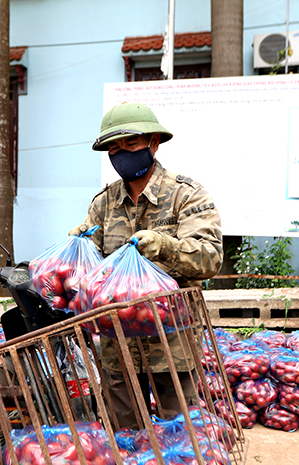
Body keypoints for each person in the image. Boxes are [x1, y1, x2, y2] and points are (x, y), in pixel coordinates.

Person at [69, 102, 223, 429]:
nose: (122, 153)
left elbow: (210, 258)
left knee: (182, 438)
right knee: (124, 438)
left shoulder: (186, 195)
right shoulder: (104, 204)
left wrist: (165, 247)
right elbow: (90, 272)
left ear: (153, 142)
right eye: (114, 148)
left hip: (173, 346)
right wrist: (76, 250)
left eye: (131, 144)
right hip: (118, 346)